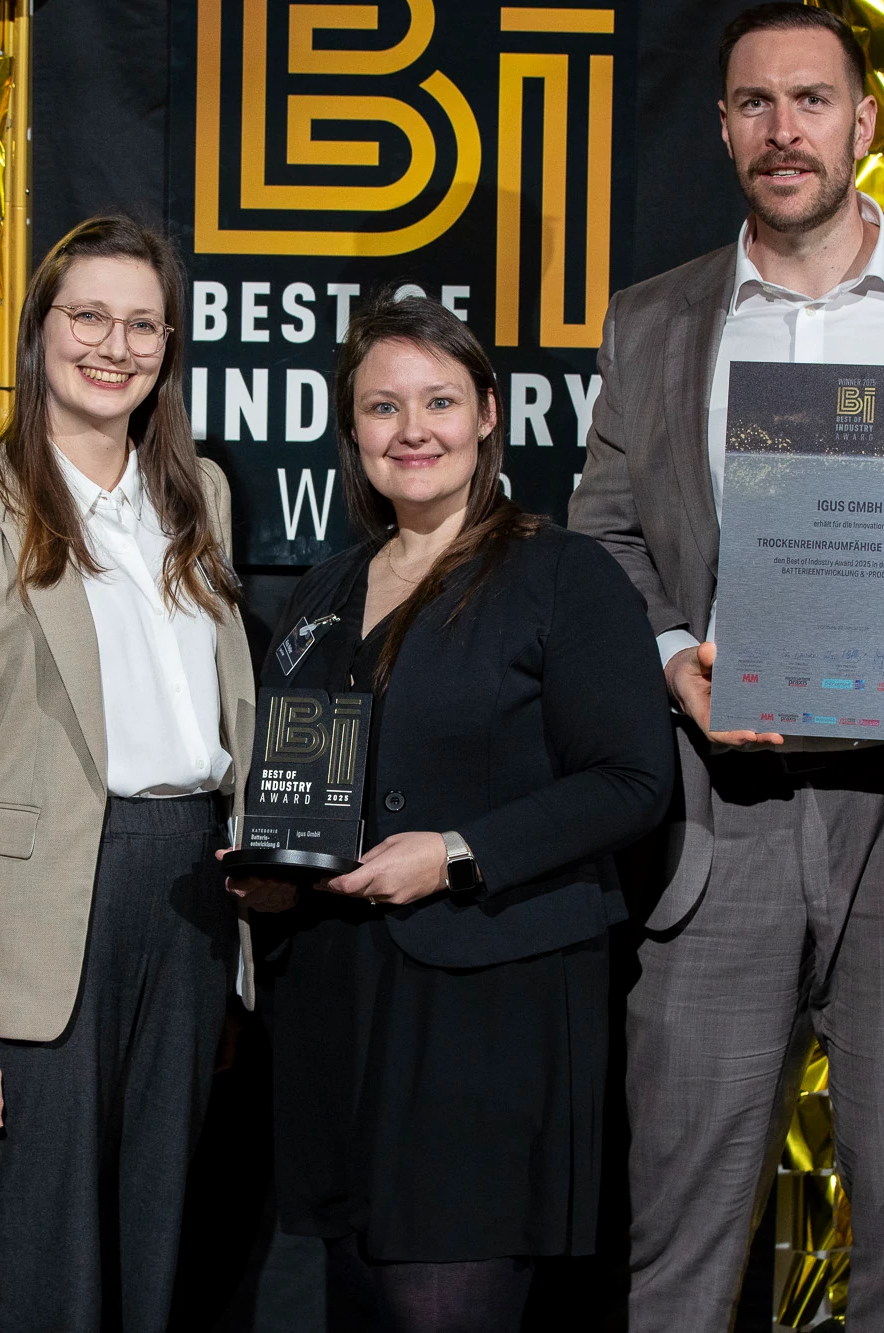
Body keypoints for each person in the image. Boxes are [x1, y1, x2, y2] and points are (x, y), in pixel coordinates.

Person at [566, 6, 884, 1329]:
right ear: (722, 127)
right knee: (679, 1245)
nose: (783, 130)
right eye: (755, 103)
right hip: (721, 808)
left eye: (811, 101)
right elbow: (605, 539)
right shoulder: (653, 319)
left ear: (862, 121)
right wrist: (673, 661)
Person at [231, 295, 675, 1333]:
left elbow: (631, 779)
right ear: (352, 428)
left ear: (486, 413)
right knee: (355, 1309)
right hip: (340, 1008)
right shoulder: (322, 591)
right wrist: (273, 880)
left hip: (490, 1014)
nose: (412, 430)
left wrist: (455, 853)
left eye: (438, 401)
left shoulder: (562, 574)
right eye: (382, 406)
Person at [0, 214, 256, 1332]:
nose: (115, 345)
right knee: (38, 1268)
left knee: (158, 1255)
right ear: (40, 330)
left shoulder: (201, 494)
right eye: (89, 316)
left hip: (194, 895)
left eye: (143, 324)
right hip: (40, 912)